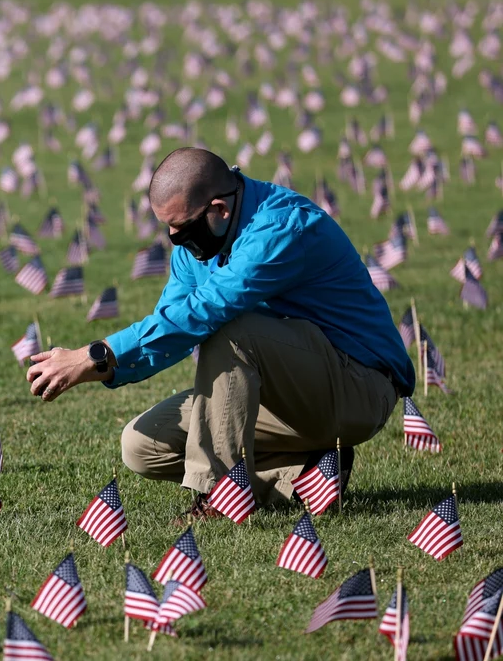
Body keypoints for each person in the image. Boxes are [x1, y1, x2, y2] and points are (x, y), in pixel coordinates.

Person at [26, 147, 414, 519]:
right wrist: (105, 365)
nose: (176, 240)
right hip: (288, 395)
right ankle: (305, 475)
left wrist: (97, 354)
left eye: (182, 229)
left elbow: (205, 311)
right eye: (169, 230)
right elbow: (172, 321)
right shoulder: (199, 243)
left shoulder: (280, 226)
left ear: (219, 209)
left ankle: (219, 496)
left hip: (357, 388)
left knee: (232, 330)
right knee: (141, 445)